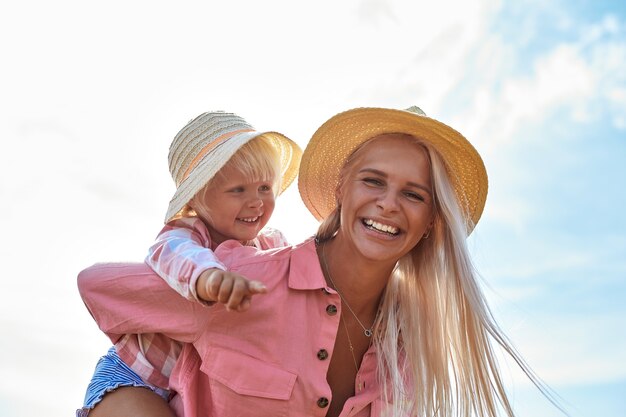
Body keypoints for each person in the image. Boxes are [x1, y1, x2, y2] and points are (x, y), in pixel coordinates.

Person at [78, 106, 559, 417]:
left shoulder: (409, 349)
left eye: (413, 194)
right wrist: (204, 279)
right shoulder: (229, 273)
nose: (390, 204)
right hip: (133, 382)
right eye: (373, 181)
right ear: (340, 190)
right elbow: (100, 285)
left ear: (433, 221)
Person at [77, 111, 302, 417]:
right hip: (136, 376)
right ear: (197, 199)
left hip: (187, 385)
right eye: (238, 190)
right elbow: (179, 257)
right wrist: (209, 278)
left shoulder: (270, 244)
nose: (256, 201)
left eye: (265, 188)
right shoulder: (184, 235)